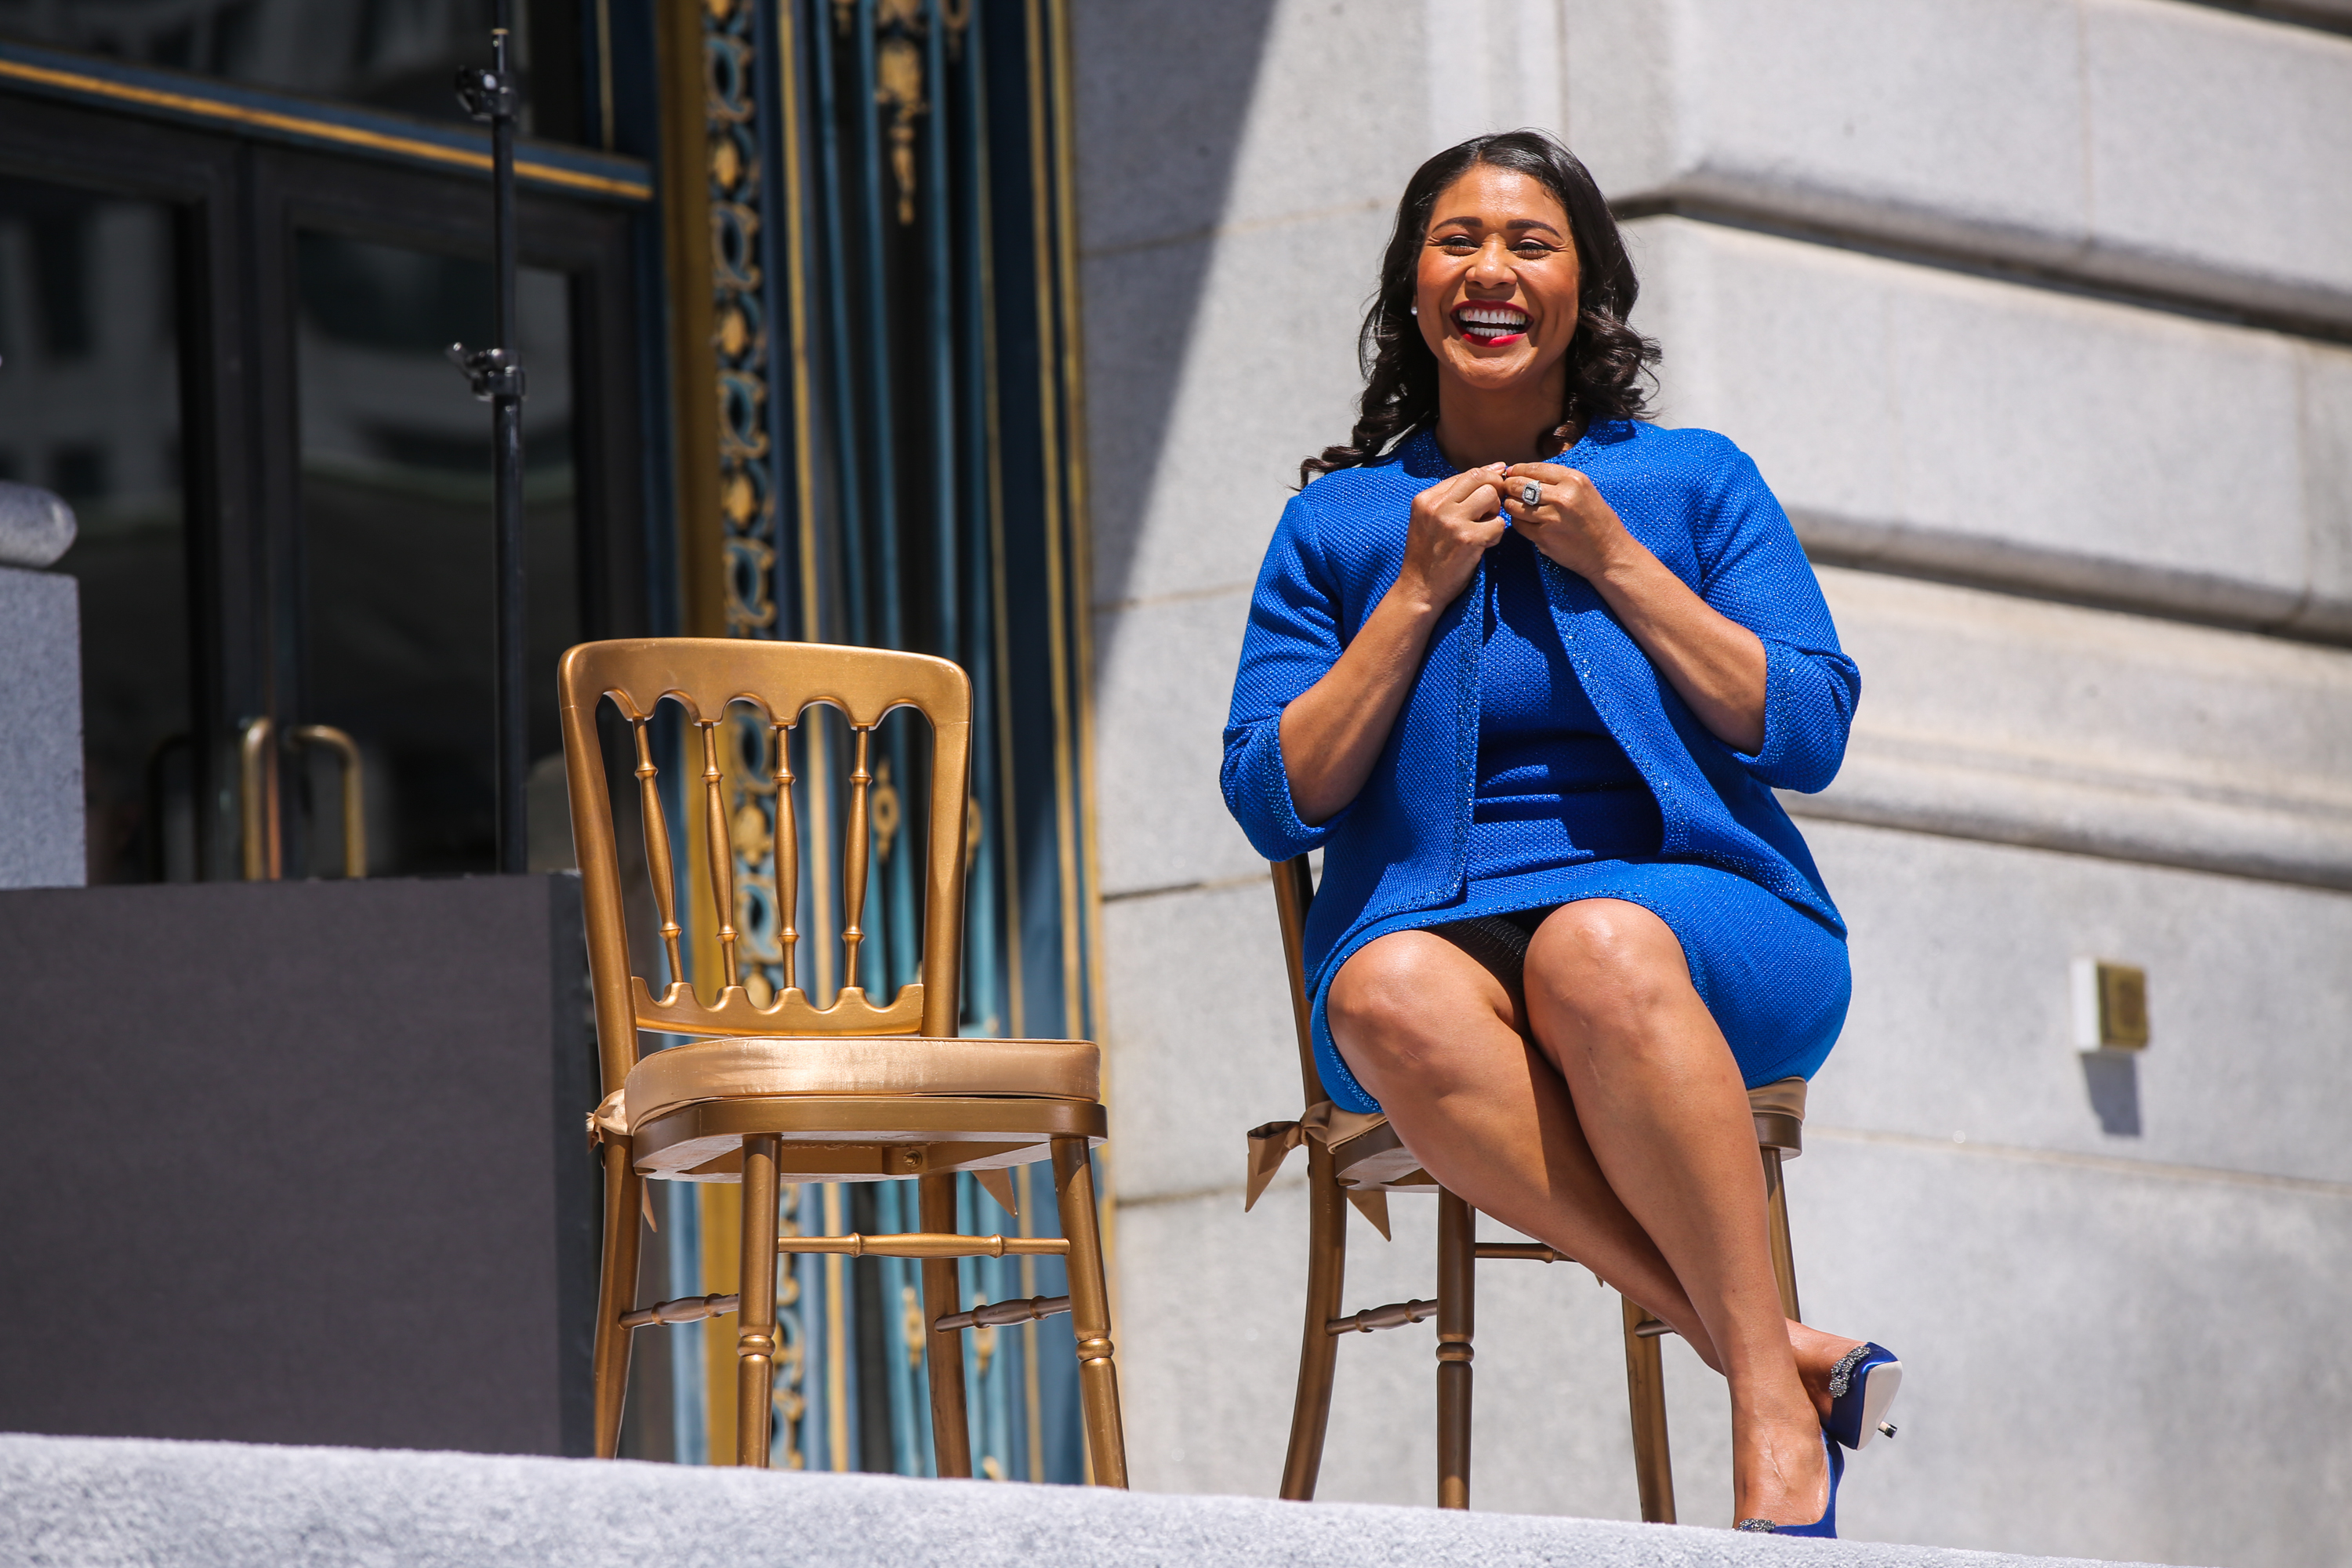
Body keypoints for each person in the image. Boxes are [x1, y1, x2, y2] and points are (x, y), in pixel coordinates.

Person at [1221, 130, 1900, 1535]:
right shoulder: (1340, 525)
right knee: (1382, 986)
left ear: (1585, 292)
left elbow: (1810, 729)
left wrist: (1620, 564)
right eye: (1457, 240)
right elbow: (1272, 794)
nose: (1490, 270)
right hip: (1444, 939)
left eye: (1530, 243)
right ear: (1411, 288)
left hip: (1711, 921)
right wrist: (1412, 589)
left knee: (1595, 946)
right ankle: (1775, 1353)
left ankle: (1768, 1422)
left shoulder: (1694, 482)